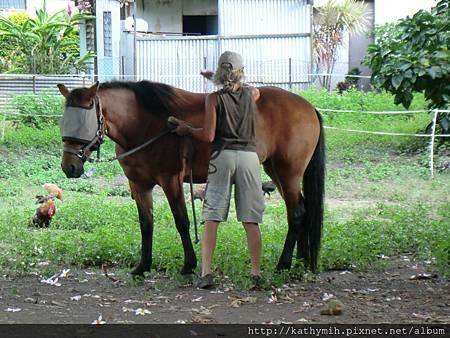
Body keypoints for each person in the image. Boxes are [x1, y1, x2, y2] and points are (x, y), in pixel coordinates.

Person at [171, 51, 265, 289]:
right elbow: (253, 89)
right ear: (241, 72)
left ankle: (206, 273)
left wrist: (187, 129)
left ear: (220, 73)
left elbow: (208, 135)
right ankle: (255, 274)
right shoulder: (252, 94)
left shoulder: (213, 99)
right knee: (250, 219)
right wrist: (232, 78)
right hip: (249, 158)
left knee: (212, 216)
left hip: (222, 157)